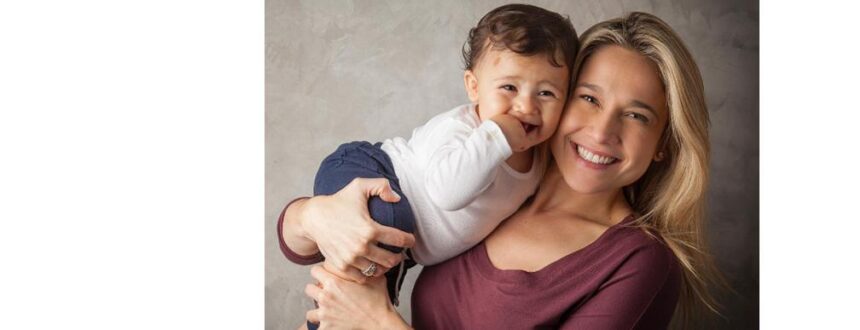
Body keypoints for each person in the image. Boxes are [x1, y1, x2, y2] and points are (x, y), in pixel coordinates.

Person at [282, 11, 723, 329]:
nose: (602, 130)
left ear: (664, 143)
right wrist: (314, 216)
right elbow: (302, 238)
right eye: (589, 98)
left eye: (637, 115)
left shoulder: (640, 265)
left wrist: (378, 323)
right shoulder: (502, 178)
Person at [276, 5, 579, 325]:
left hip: (404, 250)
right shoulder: (463, 130)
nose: (526, 106)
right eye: (509, 88)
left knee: (371, 294)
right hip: (374, 173)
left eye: (546, 93)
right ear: (474, 87)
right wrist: (495, 136)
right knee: (388, 222)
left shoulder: (539, 161)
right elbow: (447, 193)